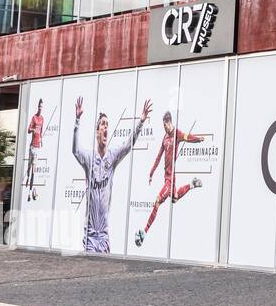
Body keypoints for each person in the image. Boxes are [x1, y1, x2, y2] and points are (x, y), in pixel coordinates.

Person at [72, 95, 150, 254]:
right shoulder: (89, 158)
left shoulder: (112, 156)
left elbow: (128, 145)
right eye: (103, 124)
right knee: (88, 267)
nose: (106, 127)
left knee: (104, 268)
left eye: (107, 124)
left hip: (104, 235)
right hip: (90, 234)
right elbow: (75, 150)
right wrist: (77, 121)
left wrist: (141, 122)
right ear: (97, 132)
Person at [134, 111, 204, 249]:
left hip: (170, 179)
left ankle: (144, 232)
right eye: (163, 126)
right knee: (175, 198)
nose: (164, 128)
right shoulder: (165, 137)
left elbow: (187, 137)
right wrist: (152, 172)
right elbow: (158, 156)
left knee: (157, 200)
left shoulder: (177, 134)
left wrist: (197, 139)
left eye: (165, 125)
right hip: (167, 176)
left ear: (169, 122)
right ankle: (192, 184)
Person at [24, 98, 44, 201]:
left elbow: (41, 131)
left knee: (33, 170)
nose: (40, 108)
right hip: (32, 147)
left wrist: (41, 140)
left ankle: (30, 193)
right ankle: (27, 179)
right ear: (37, 107)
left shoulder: (42, 118)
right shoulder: (34, 118)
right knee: (29, 169)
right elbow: (28, 130)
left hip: (37, 147)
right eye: (39, 106)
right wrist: (33, 129)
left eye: (42, 106)